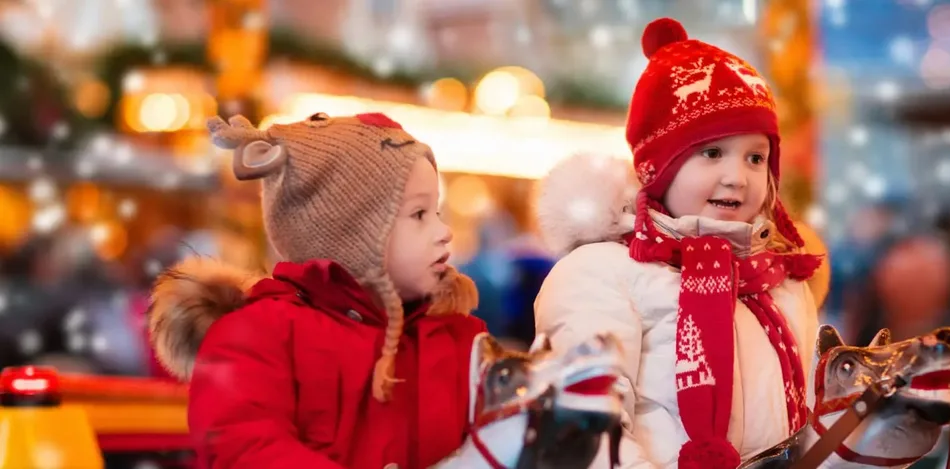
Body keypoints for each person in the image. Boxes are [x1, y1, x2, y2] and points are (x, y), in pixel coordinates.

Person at [533, 18, 844, 468]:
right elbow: (583, 432)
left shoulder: (781, 283)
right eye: (712, 153)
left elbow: (808, 427)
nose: (737, 177)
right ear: (658, 167)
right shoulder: (600, 273)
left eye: (755, 157)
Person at [147, 112, 484, 469]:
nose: (444, 231)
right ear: (353, 232)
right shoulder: (257, 335)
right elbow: (245, 446)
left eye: (436, 211)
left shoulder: (459, 338)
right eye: (419, 215)